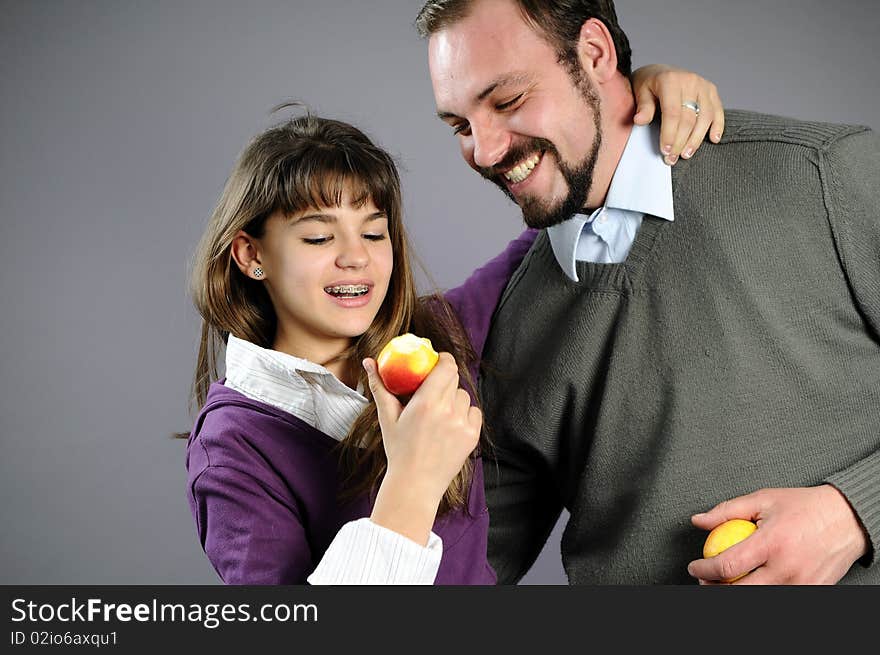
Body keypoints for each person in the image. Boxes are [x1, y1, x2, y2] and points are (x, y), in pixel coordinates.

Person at [182, 67, 723, 584]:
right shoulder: (233, 447)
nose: (356, 258)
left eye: (374, 234)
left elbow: (552, 227)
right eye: (320, 238)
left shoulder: (433, 338)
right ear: (252, 255)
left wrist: (630, 97)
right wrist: (412, 483)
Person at [416, 0, 880, 584]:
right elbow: (458, 575)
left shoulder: (821, 177)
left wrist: (856, 514)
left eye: (507, 101)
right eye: (460, 125)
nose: (484, 151)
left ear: (594, 53)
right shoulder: (507, 322)